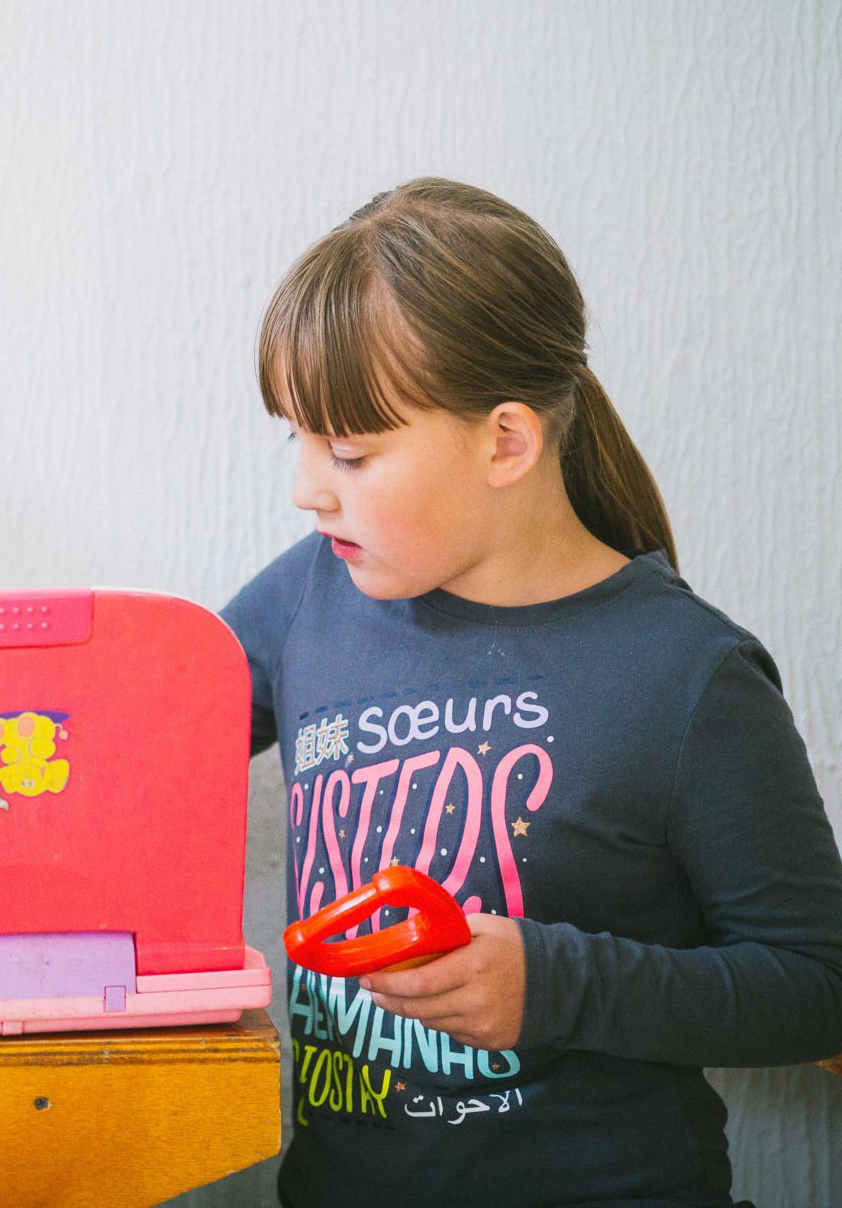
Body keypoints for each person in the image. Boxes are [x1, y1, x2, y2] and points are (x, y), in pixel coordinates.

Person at [223, 176, 842, 1206]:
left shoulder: (685, 677)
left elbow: (816, 989)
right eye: (294, 439)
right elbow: (140, 738)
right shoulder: (309, 593)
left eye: (348, 452)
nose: (305, 487)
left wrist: (553, 985)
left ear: (505, 440)